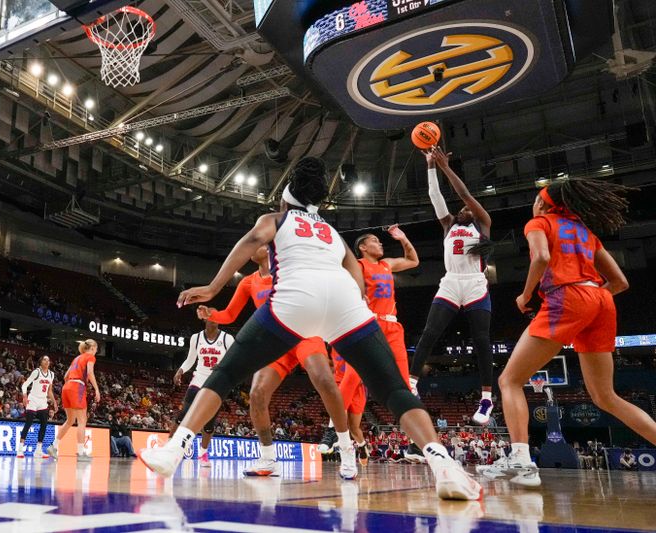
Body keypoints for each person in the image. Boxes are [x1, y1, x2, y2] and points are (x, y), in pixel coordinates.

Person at [141, 157, 480, 500]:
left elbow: (251, 239)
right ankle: (444, 466)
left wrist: (213, 287)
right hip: (345, 303)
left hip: (296, 302)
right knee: (393, 390)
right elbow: (356, 274)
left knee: (225, 375)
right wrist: (355, 305)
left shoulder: (276, 218)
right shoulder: (332, 232)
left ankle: (174, 450)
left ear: (285, 200)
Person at [494, 179, 656, 487]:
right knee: (606, 397)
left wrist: (526, 295)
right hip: (602, 300)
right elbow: (620, 282)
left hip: (567, 297)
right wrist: (589, 302)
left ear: (542, 203)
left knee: (509, 380)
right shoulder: (585, 231)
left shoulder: (538, 222)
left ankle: (520, 460)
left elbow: (541, 258)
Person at [197, 245, 356, 478]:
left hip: (304, 332)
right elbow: (229, 315)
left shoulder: (291, 269)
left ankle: (345, 448)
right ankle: (268, 459)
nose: (253, 246)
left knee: (324, 379)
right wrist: (210, 314)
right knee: (257, 394)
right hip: (274, 343)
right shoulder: (248, 282)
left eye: (260, 243)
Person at [409, 147, 495, 425]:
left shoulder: (483, 225)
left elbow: (465, 195)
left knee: (481, 340)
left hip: (474, 284)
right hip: (450, 281)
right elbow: (436, 197)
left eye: (468, 208)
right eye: (462, 208)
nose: (465, 208)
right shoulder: (447, 224)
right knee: (429, 333)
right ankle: (411, 383)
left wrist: (445, 167)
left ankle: (486, 399)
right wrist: (430, 167)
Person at [321, 224, 420, 464]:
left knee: (405, 383)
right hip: (370, 324)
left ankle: (416, 441)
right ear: (363, 247)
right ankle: (333, 428)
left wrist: (403, 238)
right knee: (353, 375)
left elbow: (413, 261)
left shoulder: (387, 264)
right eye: (375, 240)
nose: (380, 243)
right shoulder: (357, 265)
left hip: (393, 327)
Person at [172, 320, 234, 467]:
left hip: (217, 380)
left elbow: (234, 359)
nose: (215, 319)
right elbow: (190, 359)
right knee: (184, 413)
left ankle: (203, 453)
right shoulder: (196, 337)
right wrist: (180, 371)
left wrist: (223, 366)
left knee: (209, 421)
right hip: (199, 377)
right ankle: (169, 447)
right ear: (206, 320)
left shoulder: (227, 338)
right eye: (211, 316)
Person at [47, 339, 100, 459]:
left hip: (67, 387)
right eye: (96, 349)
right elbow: (90, 373)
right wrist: (96, 389)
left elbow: (66, 376)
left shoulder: (76, 358)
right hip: (77, 387)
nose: (96, 351)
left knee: (70, 420)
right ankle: (81, 453)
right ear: (92, 348)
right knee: (82, 421)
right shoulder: (90, 357)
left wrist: (71, 386)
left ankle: (53, 446)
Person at [17, 355, 57, 458]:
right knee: (28, 423)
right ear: (40, 362)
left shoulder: (51, 374)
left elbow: (49, 391)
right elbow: (24, 385)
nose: (47, 361)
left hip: (43, 401)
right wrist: (25, 397)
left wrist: (54, 402)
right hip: (33, 399)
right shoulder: (36, 372)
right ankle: (20, 449)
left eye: (48, 360)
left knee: (44, 424)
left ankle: (38, 450)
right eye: (44, 359)